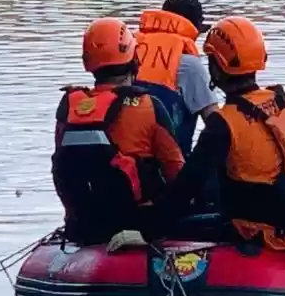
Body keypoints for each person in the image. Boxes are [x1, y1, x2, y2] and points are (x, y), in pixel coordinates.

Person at [138, 16, 285, 252]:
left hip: (270, 236)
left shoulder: (223, 124)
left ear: (216, 67)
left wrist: (144, 232)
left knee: (178, 221)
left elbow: (185, 189)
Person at [52, 17, 185, 246]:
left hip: (84, 227)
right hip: (138, 224)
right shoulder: (149, 106)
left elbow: (62, 165)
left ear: (88, 62)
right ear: (133, 57)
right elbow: (178, 174)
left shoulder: (69, 107)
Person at [134, 0, 219, 156]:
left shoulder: (130, 51)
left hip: (124, 160)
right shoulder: (189, 65)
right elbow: (216, 124)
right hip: (169, 166)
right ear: (193, 28)